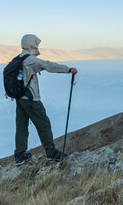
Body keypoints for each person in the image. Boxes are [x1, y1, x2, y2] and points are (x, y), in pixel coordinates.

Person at [13, 34, 77, 165]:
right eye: (36, 44)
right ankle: (51, 153)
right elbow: (49, 66)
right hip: (31, 99)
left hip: (20, 99)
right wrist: (68, 69)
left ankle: (20, 155)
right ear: (32, 44)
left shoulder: (18, 58)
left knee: (21, 126)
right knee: (44, 125)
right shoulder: (31, 60)